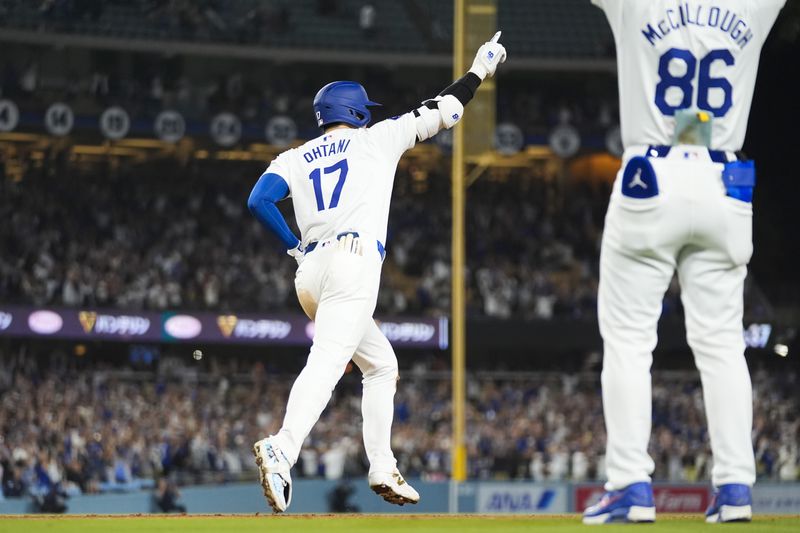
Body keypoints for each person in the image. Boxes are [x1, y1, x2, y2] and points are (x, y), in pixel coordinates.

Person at [247, 33, 507, 513]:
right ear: (358, 112)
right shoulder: (377, 138)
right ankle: (282, 446)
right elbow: (447, 108)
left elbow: (258, 200)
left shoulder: (294, 157)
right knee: (326, 364)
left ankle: (383, 465)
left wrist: (294, 248)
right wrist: (480, 69)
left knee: (382, 365)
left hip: (310, 274)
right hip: (352, 263)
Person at [585, 0, 786, 525]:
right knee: (723, 343)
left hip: (652, 176)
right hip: (726, 183)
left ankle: (630, 487)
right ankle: (736, 490)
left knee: (629, 341)